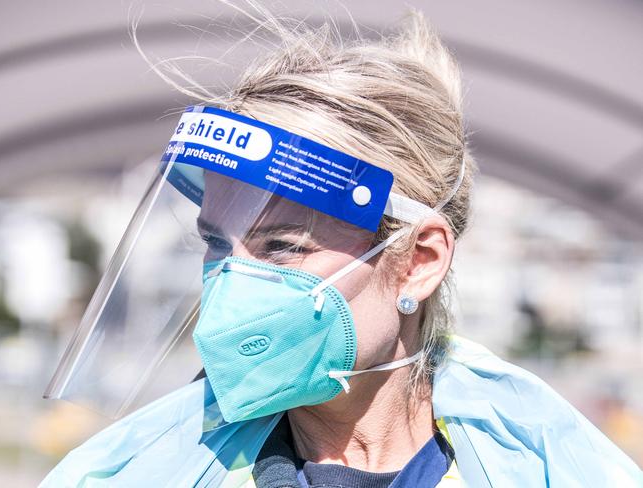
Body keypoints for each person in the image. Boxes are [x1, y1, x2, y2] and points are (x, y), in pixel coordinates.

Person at [40, 8, 641, 488]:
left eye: (281, 247)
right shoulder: (138, 470)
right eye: (215, 244)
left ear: (419, 262)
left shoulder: (544, 465)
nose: (229, 283)